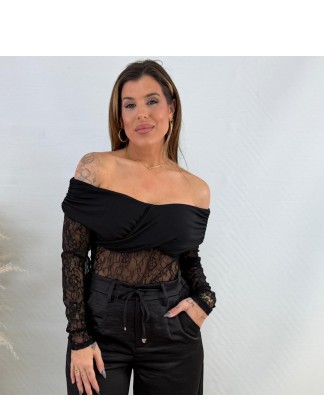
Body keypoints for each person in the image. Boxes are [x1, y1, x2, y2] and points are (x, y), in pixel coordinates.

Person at [61, 59, 216, 395]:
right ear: (120, 117)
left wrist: (204, 300)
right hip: (101, 328)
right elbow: (73, 256)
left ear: (171, 109)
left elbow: (188, 258)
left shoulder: (196, 189)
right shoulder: (95, 168)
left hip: (173, 331)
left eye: (152, 101)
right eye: (129, 105)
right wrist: (79, 337)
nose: (141, 113)